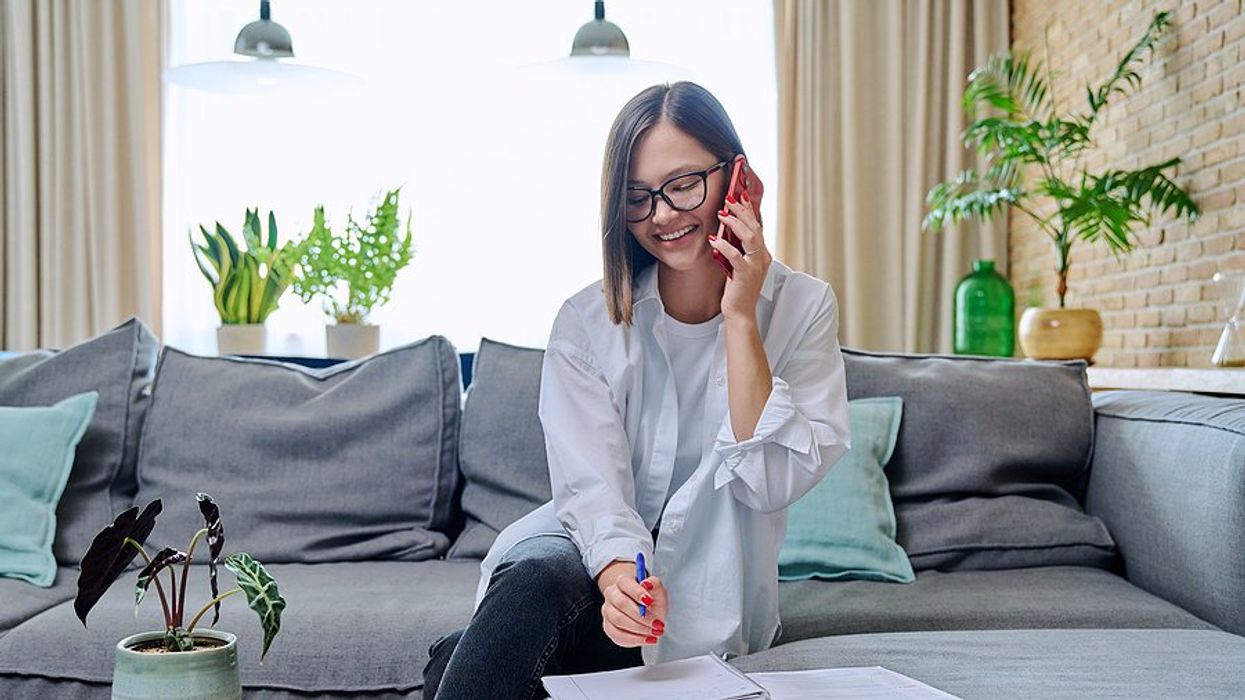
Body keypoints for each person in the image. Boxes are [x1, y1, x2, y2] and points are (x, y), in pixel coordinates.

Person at [422, 81, 851, 700]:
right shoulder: (586, 321)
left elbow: (772, 480)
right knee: (535, 575)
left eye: (683, 185)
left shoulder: (804, 307)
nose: (662, 215)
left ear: (738, 180)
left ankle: (460, 661)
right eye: (637, 196)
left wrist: (740, 317)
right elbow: (591, 489)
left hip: (709, 596)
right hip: (590, 560)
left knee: (469, 668)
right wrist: (620, 575)